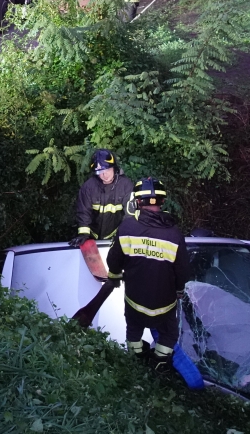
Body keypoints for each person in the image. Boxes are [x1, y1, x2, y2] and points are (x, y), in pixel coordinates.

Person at [106, 177, 190, 373]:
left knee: (133, 330)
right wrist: (179, 289)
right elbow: (183, 270)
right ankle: (160, 362)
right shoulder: (174, 234)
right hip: (165, 305)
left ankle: (136, 359)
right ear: (162, 202)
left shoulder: (127, 228)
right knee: (168, 334)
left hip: (135, 301)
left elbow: (114, 260)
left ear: (137, 202)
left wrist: (115, 276)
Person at [69, 149, 136, 247]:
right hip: (92, 236)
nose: (104, 175)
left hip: (116, 235)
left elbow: (130, 215)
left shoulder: (125, 185)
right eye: (100, 172)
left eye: (107, 170)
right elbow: (83, 213)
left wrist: (124, 235)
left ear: (114, 168)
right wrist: (84, 234)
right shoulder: (88, 187)